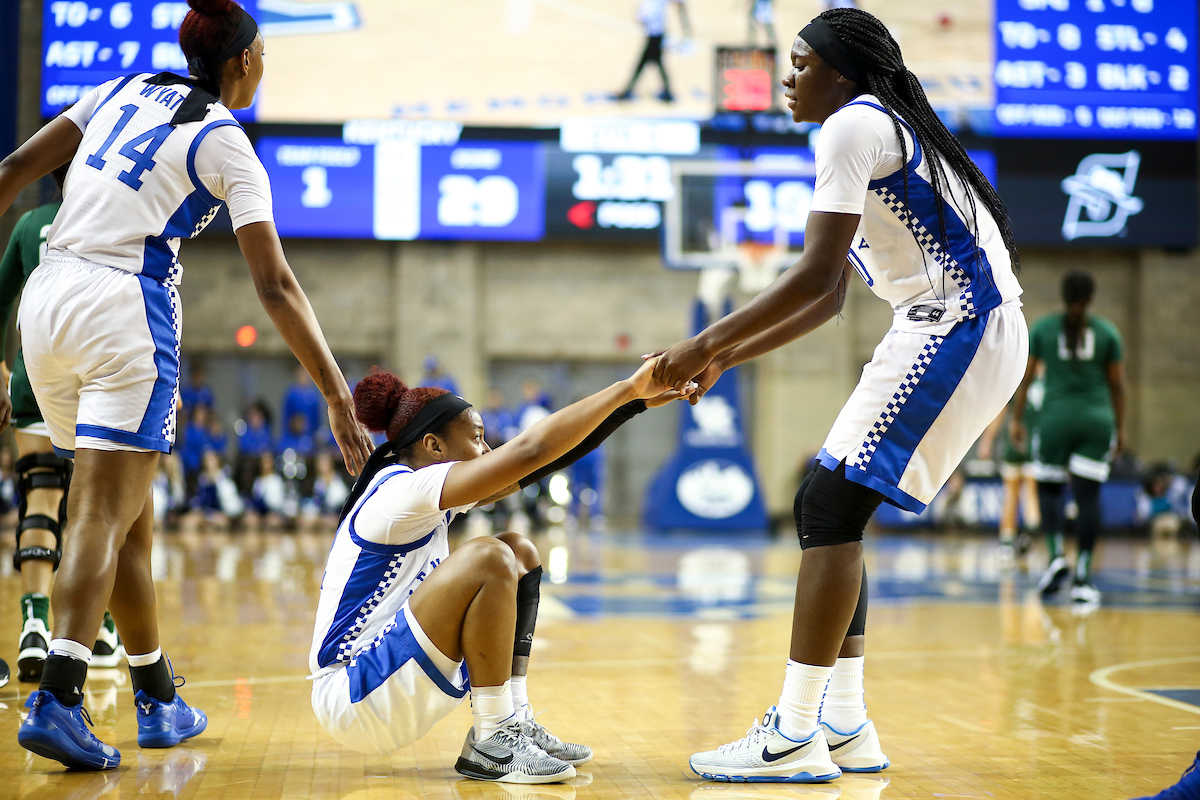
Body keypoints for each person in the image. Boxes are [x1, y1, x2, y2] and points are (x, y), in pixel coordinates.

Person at [651, 8, 1026, 782]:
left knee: (829, 507)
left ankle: (793, 734)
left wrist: (700, 344)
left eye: (801, 64)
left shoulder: (854, 125)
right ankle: (844, 724)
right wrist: (728, 358)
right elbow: (828, 301)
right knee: (826, 505)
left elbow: (813, 276)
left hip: (959, 324)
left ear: (843, 74)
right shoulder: (876, 127)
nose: (786, 79)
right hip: (946, 324)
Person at [0, 0, 372, 770]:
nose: (264, 69)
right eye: (264, 57)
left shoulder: (123, 87)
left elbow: (8, 175)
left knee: (126, 516)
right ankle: (58, 699)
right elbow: (275, 286)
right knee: (100, 513)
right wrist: (339, 396)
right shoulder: (227, 139)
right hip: (121, 309)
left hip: (47, 299)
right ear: (242, 63)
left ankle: (157, 696)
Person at [310, 362, 690, 782]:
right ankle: (492, 737)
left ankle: (513, 719)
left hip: (386, 678)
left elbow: (537, 465)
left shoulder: (420, 486)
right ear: (434, 446)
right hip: (354, 690)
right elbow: (529, 452)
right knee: (489, 557)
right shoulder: (401, 490)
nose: (489, 449)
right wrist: (627, 388)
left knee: (517, 551)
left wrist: (632, 405)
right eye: (477, 438)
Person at [0, 162, 124, 683]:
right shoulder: (113, 218)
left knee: (41, 493)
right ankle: (100, 628)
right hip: (96, 381)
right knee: (96, 510)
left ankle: (34, 623)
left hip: (34, 375)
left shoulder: (30, 224)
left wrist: (0, 368)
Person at [1011, 271, 1126, 605]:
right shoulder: (1107, 332)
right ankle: (1083, 578)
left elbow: (1025, 379)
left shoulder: (1044, 329)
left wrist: (1017, 419)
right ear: (1091, 298)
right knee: (1088, 498)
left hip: (1055, 420)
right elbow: (1118, 386)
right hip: (1096, 420)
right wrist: (1120, 429)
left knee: (1049, 490)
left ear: (1063, 296)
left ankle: (1056, 556)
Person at [977, 377, 1043, 561]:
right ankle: (1023, 537)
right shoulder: (1039, 381)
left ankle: (1012, 541)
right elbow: (1001, 412)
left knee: (1016, 494)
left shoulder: (1021, 380)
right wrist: (987, 440)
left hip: (1023, 443)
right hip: (1027, 443)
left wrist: (987, 441)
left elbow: (1001, 412)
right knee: (1025, 493)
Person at [616, 0, 692, 103]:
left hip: (654, 37)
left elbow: (642, 18)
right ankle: (667, 92)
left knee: (644, 64)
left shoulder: (650, 4)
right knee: (655, 64)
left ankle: (628, 91)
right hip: (657, 36)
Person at [283, 363, 325, 438]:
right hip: (294, 432)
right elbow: (287, 414)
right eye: (302, 374)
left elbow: (317, 416)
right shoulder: (292, 393)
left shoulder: (314, 394)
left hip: (310, 433)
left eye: (306, 374)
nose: (304, 377)